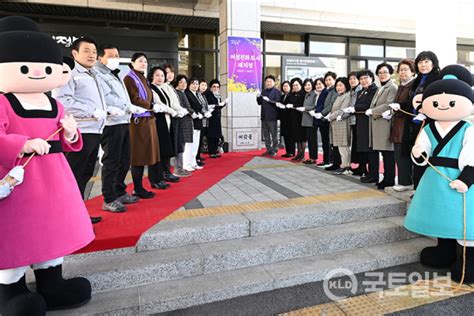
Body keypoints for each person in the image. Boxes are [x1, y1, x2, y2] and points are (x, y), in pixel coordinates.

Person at [0, 16, 94, 315]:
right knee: (17, 233)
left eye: (48, 67)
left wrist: (69, 132)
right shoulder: (3, 101)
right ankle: (10, 291)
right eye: (26, 68)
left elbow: (68, 139)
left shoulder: (55, 103)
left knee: (51, 230)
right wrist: (21, 143)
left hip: (53, 175)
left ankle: (52, 283)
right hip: (18, 178)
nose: (39, 73)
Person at [404, 65, 474, 282]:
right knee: (442, 217)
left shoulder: (468, 128)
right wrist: (418, 152)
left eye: (451, 103)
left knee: (464, 222)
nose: (442, 107)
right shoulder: (428, 128)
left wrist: (467, 179)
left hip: (461, 179)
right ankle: (444, 251)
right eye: (435, 103)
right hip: (435, 178)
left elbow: (471, 154)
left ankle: (468, 262)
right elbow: (422, 149)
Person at [53, 37, 106, 224]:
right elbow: (63, 101)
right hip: (80, 132)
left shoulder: (94, 73)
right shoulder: (70, 73)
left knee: (85, 175)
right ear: (74, 53)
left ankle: (78, 213)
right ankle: (68, 218)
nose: (92, 55)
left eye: (94, 51)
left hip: (95, 130)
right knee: (74, 175)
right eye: (86, 51)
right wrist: (92, 111)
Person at [94, 44, 141, 212]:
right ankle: (109, 198)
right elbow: (107, 97)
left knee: (125, 159)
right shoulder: (98, 73)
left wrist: (129, 107)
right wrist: (127, 106)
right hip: (112, 123)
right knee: (111, 161)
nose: (116, 58)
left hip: (123, 120)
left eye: (117, 55)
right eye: (111, 55)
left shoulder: (115, 74)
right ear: (101, 58)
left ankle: (120, 191)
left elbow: (122, 96)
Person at [123, 52, 160, 198]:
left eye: (145, 61)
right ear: (132, 63)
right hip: (138, 121)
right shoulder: (129, 78)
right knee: (138, 156)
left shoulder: (142, 77)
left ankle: (140, 187)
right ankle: (138, 188)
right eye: (140, 61)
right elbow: (134, 99)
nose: (143, 63)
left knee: (147, 155)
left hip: (147, 119)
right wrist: (151, 105)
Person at [409, 51, 440, 189]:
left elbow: (438, 101)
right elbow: (412, 100)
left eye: (426, 61)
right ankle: (418, 189)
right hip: (416, 123)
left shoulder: (438, 78)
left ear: (433, 63)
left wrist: (426, 111)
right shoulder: (417, 80)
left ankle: (426, 189)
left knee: (427, 155)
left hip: (430, 123)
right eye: (420, 62)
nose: (423, 65)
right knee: (417, 154)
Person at [366, 63, 398, 189]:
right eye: (380, 73)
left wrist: (372, 111)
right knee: (384, 153)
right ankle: (385, 178)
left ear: (390, 73)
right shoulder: (381, 87)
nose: (382, 75)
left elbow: (388, 104)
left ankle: (389, 179)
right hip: (379, 125)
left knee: (388, 154)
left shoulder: (392, 87)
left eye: (385, 72)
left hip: (386, 124)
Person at [387, 59, 416, 192]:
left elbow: (411, 105)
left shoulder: (413, 86)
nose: (403, 72)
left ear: (412, 71)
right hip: (398, 125)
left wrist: (400, 107)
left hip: (407, 126)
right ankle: (404, 181)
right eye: (401, 69)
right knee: (398, 154)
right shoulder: (401, 86)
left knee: (404, 154)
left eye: (406, 69)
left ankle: (407, 182)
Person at [148, 66, 177, 189]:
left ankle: (165, 174)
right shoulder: (151, 89)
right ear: (152, 76)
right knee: (158, 152)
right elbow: (159, 104)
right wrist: (172, 111)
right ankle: (156, 179)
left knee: (165, 150)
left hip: (166, 121)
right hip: (157, 122)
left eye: (162, 75)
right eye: (157, 75)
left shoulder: (163, 88)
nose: (160, 78)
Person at [161, 64, 190, 177]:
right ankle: (173, 170)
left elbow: (174, 103)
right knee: (174, 145)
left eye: (172, 72)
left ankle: (177, 168)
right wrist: (178, 111)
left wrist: (180, 110)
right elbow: (170, 104)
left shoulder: (170, 87)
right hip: (171, 118)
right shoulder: (163, 87)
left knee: (178, 144)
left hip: (177, 118)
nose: (170, 75)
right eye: (167, 72)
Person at [352, 70, 378, 182]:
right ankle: (363, 169)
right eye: (361, 79)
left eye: (366, 78)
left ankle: (373, 174)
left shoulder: (374, 90)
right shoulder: (360, 92)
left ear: (372, 78)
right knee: (362, 146)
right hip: (360, 122)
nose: (363, 81)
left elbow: (368, 105)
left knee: (371, 149)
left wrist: (356, 108)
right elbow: (358, 104)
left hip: (370, 122)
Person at [327, 77, 352, 174]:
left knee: (343, 146)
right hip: (336, 124)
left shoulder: (347, 96)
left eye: (341, 85)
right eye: (337, 85)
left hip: (342, 123)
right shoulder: (339, 96)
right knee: (339, 146)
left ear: (346, 86)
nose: (338, 87)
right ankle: (344, 165)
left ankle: (346, 166)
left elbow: (342, 110)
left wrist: (330, 116)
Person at [174, 74, 196, 172]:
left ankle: (184, 165)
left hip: (187, 120)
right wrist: (191, 111)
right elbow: (183, 106)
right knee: (183, 145)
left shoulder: (183, 92)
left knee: (186, 145)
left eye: (185, 82)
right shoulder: (177, 93)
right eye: (181, 82)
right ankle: (182, 166)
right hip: (182, 121)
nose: (183, 84)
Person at [257, 75, 281, 156]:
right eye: (267, 81)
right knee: (266, 135)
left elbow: (277, 103)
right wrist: (257, 97)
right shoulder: (263, 91)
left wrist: (269, 100)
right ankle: (268, 149)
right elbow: (260, 102)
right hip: (264, 116)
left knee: (274, 134)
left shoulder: (277, 92)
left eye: (270, 81)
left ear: (274, 83)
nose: (268, 83)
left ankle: (275, 149)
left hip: (272, 117)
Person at [185, 77, 205, 168]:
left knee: (196, 143)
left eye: (197, 84)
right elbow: (188, 107)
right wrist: (196, 114)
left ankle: (193, 162)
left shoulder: (197, 94)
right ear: (189, 85)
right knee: (191, 144)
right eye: (193, 83)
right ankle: (188, 163)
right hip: (191, 121)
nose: (195, 85)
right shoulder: (187, 94)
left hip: (198, 121)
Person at [321, 71, 340, 169]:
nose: (328, 82)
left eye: (330, 79)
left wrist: (322, 113)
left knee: (332, 142)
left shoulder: (335, 91)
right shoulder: (328, 90)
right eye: (326, 80)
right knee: (329, 141)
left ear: (334, 80)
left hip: (332, 117)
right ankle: (329, 160)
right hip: (327, 118)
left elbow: (331, 104)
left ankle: (332, 161)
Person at [204, 79, 227, 158]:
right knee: (211, 135)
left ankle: (215, 151)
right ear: (210, 87)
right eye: (214, 87)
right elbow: (210, 105)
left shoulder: (218, 95)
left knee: (217, 135)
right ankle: (211, 152)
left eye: (217, 87)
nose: (216, 88)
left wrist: (223, 104)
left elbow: (218, 106)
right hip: (210, 117)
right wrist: (218, 105)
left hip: (217, 117)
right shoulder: (208, 94)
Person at [346, 72, 363, 175]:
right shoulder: (352, 91)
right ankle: (359, 166)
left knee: (360, 144)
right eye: (350, 79)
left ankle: (362, 167)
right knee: (356, 143)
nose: (352, 81)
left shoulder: (359, 89)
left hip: (358, 120)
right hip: (352, 120)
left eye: (354, 78)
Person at [310, 78, 329, 165]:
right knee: (325, 141)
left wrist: (321, 113)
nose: (318, 85)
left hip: (324, 119)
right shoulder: (319, 94)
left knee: (326, 141)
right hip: (319, 119)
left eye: (320, 83)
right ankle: (326, 160)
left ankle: (327, 160)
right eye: (317, 84)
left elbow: (326, 105)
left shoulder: (326, 92)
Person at [301, 79, 318, 164]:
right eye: (305, 85)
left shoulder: (314, 94)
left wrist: (305, 108)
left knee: (312, 140)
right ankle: (311, 157)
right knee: (309, 140)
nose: (307, 87)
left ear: (312, 85)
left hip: (311, 120)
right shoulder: (306, 94)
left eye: (309, 85)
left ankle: (313, 158)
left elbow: (314, 106)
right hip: (306, 120)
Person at [278, 81, 294, 157]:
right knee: (285, 136)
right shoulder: (282, 96)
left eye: (287, 86)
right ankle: (288, 151)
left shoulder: (292, 96)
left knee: (290, 136)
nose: (285, 87)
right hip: (283, 119)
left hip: (290, 119)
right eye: (284, 86)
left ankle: (291, 152)